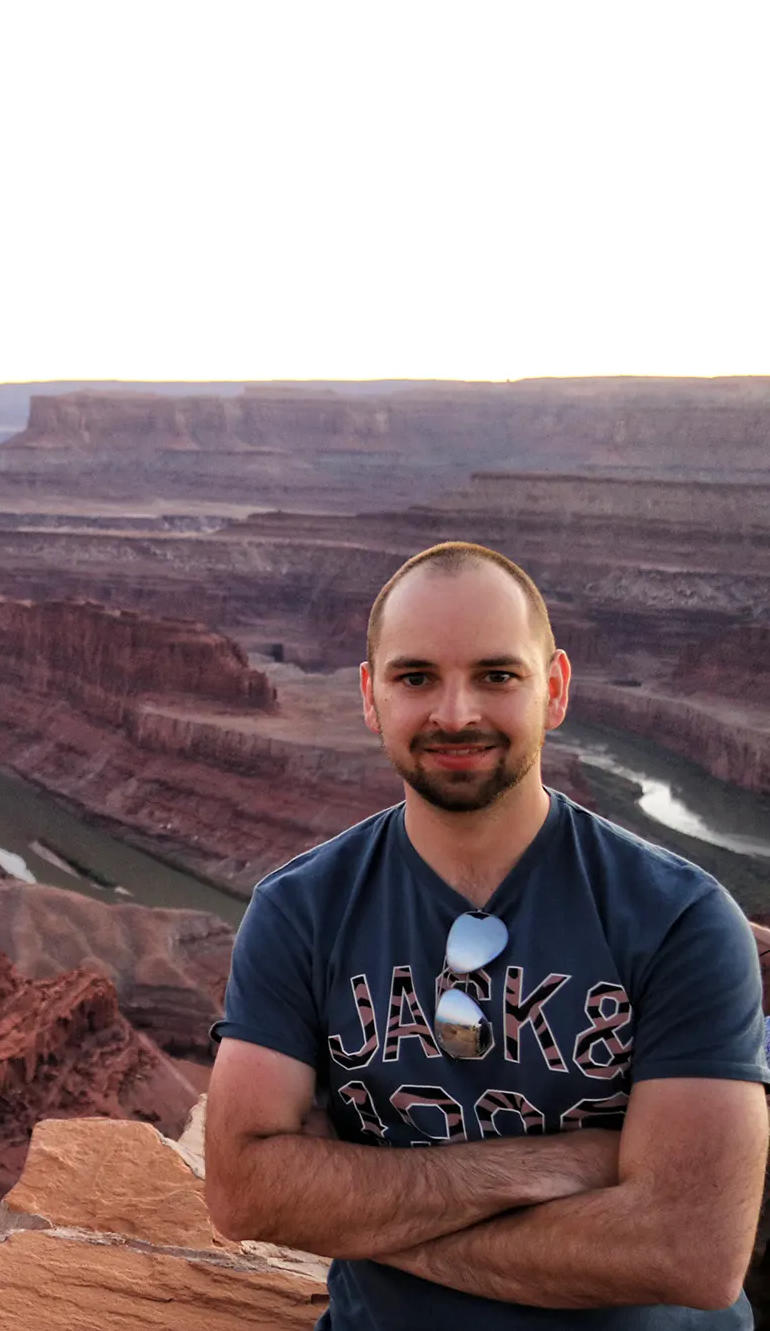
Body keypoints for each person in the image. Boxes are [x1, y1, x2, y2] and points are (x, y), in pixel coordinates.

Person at [203, 541, 769, 1328]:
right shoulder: (300, 911)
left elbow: (692, 1251)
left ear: (556, 688)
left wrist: (358, 1212)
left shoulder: (680, 920)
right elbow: (242, 1190)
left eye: (497, 675)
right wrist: (556, 1164)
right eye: (416, 677)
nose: (456, 713)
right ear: (371, 697)